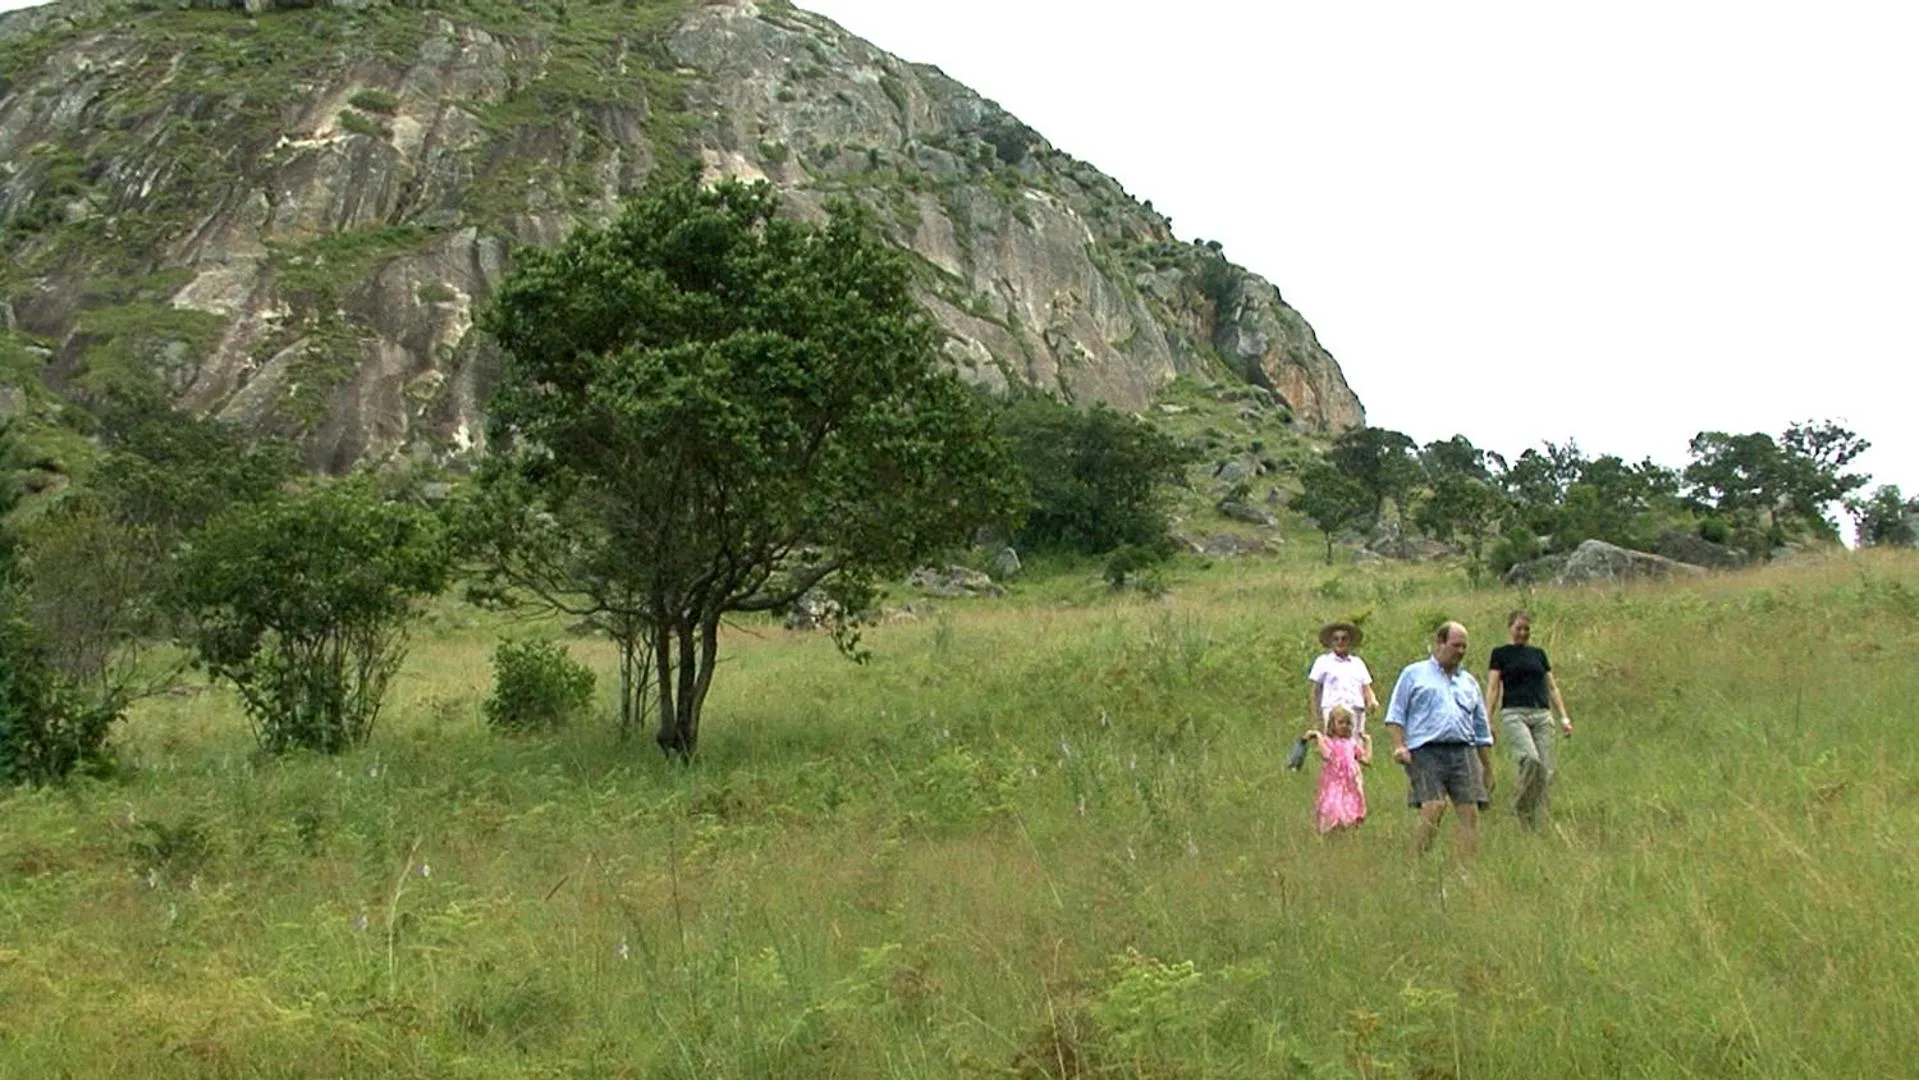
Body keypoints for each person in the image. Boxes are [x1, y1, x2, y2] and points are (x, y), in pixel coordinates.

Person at [1384, 621, 1495, 857]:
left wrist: (1487, 767)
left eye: (1464, 647)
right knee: (1434, 806)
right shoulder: (1414, 674)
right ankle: (1417, 862)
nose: (1460, 651)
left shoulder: (1468, 682)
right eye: (1456, 645)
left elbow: (1481, 729)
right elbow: (1395, 715)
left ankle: (1465, 871)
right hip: (1425, 750)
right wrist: (1399, 746)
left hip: (1463, 750)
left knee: (1470, 812)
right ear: (1440, 643)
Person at [1486, 609, 1573, 829]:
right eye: (1519, 629)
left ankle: (1536, 819)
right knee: (1530, 759)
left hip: (1542, 714)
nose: (1523, 633)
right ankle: (1519, 806)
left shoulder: (1538, 654)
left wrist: (1563, 717)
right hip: (1514, 713)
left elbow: (1552, 687)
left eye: (1526, 629)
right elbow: (1494, 687)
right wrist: (1488, 718)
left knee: (1546, 769)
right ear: (1510, 628)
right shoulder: (1501, 654)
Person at [1303, 705, 1371, 832]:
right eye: (1340, 722)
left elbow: (1365, 760)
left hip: (1350, 784)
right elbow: (1325, 754)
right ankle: (1328, 833)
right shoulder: (1329, 742)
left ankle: (1346, 833)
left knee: (1350, 810)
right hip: (1334, 783)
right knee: (1333, 808)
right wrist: (1318, 736)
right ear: (1332, 724)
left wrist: (1368, 741)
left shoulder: (1352, 744)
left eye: (1348, 723)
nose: (1344, 726)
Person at [1308, 621, 1380, 735]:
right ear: (1331, 642)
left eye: (1344, 639)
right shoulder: (1323, 661)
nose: (1340, 642)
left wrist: (1372, 700)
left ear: (1349, 642)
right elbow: (1315, 691)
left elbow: (1366, 687)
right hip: (1333, 712)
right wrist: (1316, 719)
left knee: (1356, 747)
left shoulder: (1357, 663)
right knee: (1334, 747)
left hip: (1355, 712)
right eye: (1336, 639)